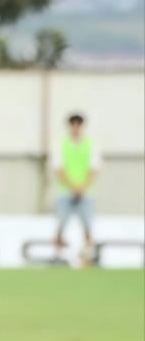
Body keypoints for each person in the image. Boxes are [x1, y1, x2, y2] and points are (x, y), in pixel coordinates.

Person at [51, 113, 101, 268]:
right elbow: (59, 169)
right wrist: (73, 187)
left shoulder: (90, 144)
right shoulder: (61, 144)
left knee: (88, 226)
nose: (76, 127)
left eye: (78, 124)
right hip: (65, 192)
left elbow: (94, 170)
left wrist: (82, 188)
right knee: (61, 225)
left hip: (86, 193)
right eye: (73, 124)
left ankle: (88, 257)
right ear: (69, 126)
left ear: (82, 126)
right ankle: (58, 257)